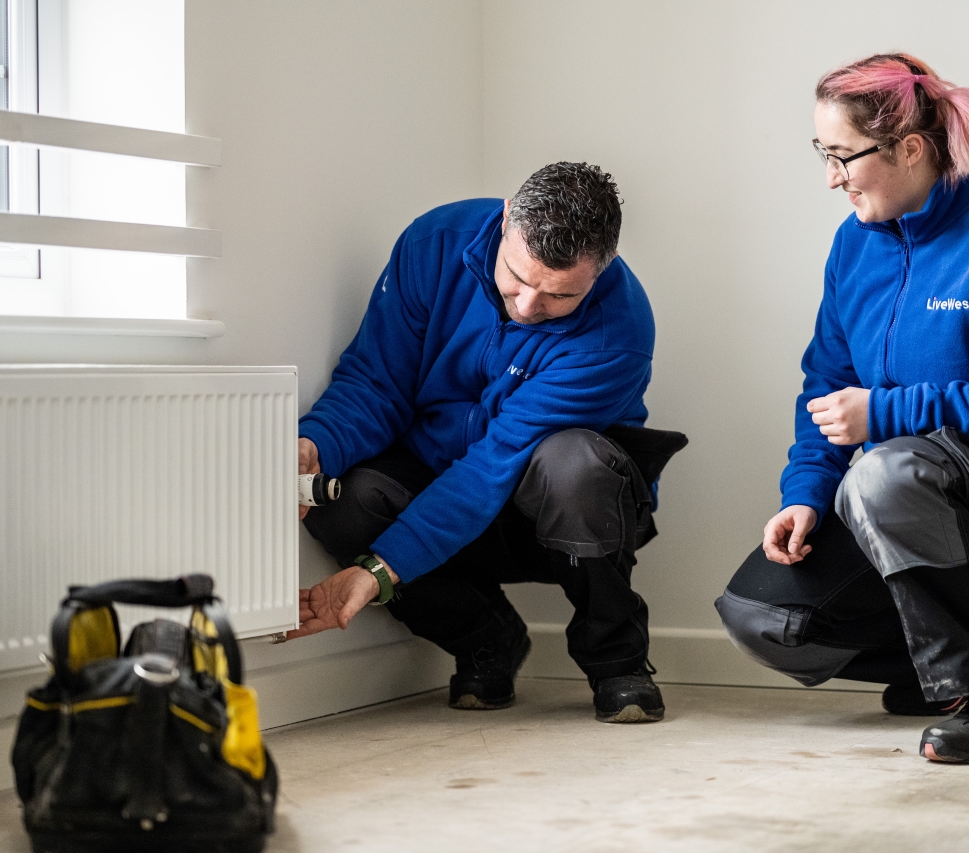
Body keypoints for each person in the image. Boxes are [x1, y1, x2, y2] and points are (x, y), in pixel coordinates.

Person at [716, 54, 969, 763]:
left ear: (909, 148)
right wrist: (806, 492)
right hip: (913, 490)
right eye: (824, 154)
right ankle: (944, 660)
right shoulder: (854, 245)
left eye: (843, 156)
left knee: (884, 474)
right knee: (764, 614)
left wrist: (887, 413)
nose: (831, 177)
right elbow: (828, 386)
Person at [289, 162, 686, 724]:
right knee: (345, 498)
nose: (525, 307)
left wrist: (377, 573)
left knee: (574, 464)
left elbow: (490, 468)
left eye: (557, 295)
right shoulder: (433, 244)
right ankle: (486, 641)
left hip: (555, 519)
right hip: (438, 488)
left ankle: (618, 661)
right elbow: (378, 382)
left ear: (602, 269)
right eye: (518, 278)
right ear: (505, 223)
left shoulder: (617, 335)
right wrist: (316, 446)